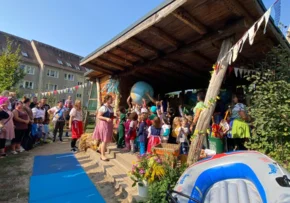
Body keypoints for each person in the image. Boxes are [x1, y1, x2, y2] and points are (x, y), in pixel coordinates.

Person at [93, 95, 115, 161]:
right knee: (104, 140)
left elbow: (111, 116)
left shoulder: (110, 107)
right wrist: (106, 118)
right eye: (111, 99)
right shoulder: (103, 107)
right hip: (104, 124)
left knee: (107, 139)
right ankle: (102, 156)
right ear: (107, 100)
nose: (112, 100)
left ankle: (100, 149)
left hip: (109, 125)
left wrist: (115, 117)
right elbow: (98, 116)